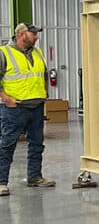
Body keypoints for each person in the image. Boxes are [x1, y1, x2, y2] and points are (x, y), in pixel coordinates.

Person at [0, 23, 57, 197]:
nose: (36, 37)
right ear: (22, 34)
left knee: (37, 144)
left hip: (36, 106)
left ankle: (35, 177)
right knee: (7, 145)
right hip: (15, 107)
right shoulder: (4, 53)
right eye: (33, 34)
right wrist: (6, 98)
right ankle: (1, 182)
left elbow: (44, 74)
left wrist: (44, 93)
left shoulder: (37, 52)